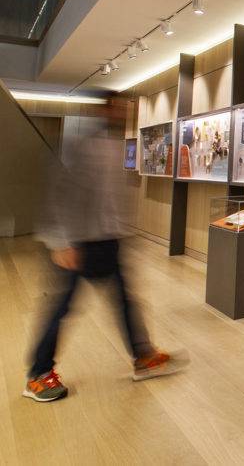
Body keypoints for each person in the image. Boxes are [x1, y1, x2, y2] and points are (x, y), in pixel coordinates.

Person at [24, 128, 187, 402]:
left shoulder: (114, 148)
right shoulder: (78, 147)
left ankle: (143, 357)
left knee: (125, 301)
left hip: (107, 241)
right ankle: (38, 375)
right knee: (61, 308)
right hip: (77, 244)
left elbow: (109, 201)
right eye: (117, 104)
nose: (122, 109)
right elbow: (57, 193)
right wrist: (60, 241)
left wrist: (122, 235)